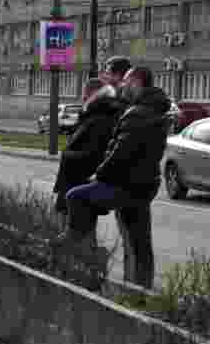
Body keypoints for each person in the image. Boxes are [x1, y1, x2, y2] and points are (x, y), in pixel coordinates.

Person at [60, 67, 171, 287]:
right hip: (144, 183)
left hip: (127, 183)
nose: (122, 87)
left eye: (126, 82)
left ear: (137, 82)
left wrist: (99, 176)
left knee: (76, 196)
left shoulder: (138, 113)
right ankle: (140, 287)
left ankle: (75, 243)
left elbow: (120, 152)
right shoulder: (155, 109)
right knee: (139, 240)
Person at [52, 76, 128, 216]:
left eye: (85, 94)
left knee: (78, 228)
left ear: (93, 95)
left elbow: (94, 153)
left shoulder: (99, 119)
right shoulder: (93, 116)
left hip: (79, 182)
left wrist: (67, 154)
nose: (83, 97)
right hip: (77, 182)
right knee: (77, 227)